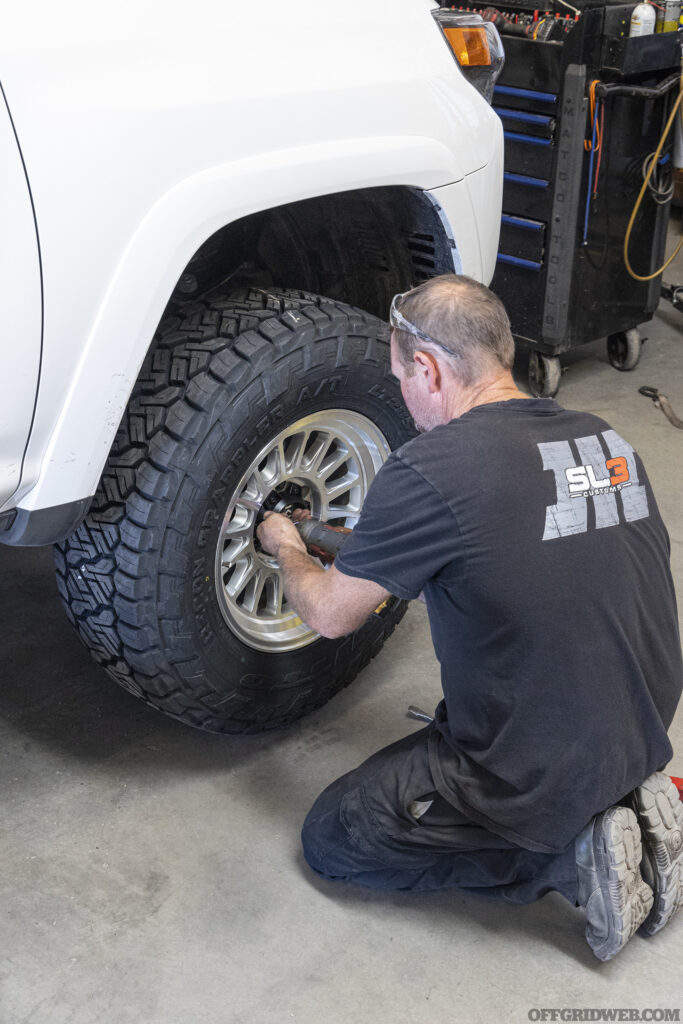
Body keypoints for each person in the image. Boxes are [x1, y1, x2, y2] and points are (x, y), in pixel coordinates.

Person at [256, 274, 683, 961]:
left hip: (537, 764)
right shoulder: (606, 441)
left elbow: (331, 615)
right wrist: (340, 543)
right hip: (640, 722)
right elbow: (506, 555)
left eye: (401, 376)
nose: (402, 391)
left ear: (425, 367)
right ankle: (625, 799)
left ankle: (569, 859)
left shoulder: (433, 467)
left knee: (336, 840)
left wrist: (284, 548)